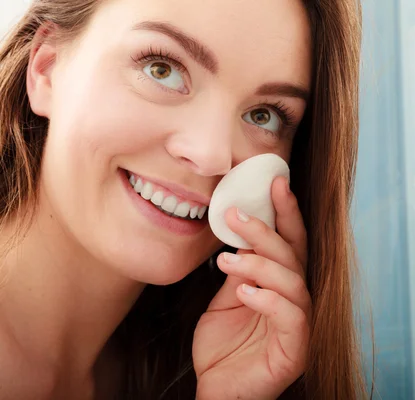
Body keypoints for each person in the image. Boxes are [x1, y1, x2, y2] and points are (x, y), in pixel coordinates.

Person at [0, 0, 366, 398]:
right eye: (162, 68)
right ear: (46, 69)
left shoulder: (190, 364)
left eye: (264, 115)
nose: (211, 155)